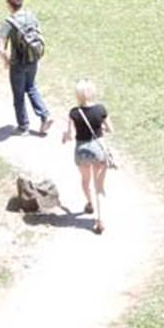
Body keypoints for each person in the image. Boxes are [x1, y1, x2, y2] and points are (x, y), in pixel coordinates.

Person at [0, 0, 53, 135]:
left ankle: (23, 126)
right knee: (31, 87)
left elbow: (0, 48)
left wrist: (6, 61)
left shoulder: (9, 23)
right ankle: (45, 115)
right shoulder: (31, 16)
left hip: (18, 64)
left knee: (18, 95)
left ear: (9, 5)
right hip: (33, 59)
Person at [62, 80, 113, 235]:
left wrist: (65, 136)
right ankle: (100, 219)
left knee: (86, 181)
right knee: (100, 187)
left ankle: (90, 204)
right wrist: (101, 127)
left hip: (82, 149)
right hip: (98, 149)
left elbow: (70, 135)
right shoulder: (101, 109)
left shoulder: (74, 112)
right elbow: (110, 129)